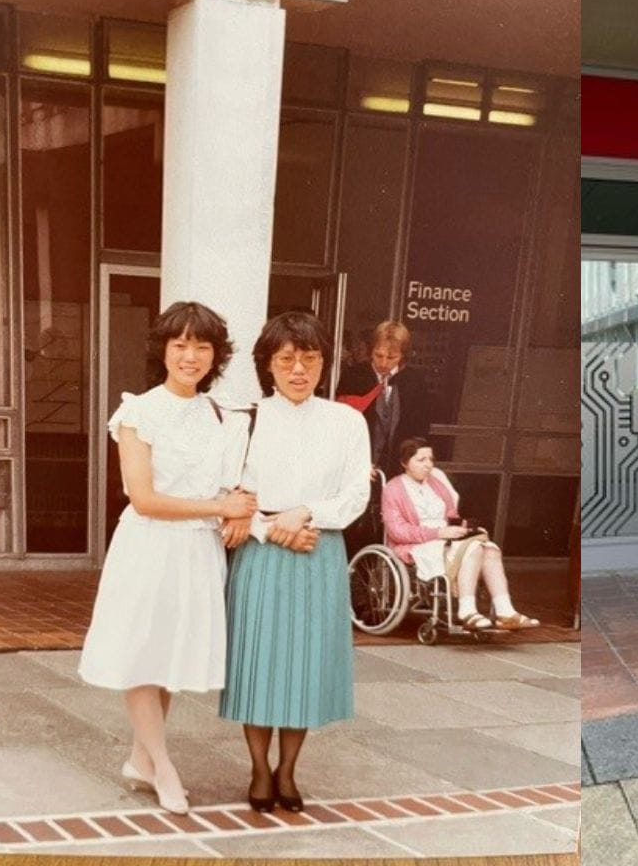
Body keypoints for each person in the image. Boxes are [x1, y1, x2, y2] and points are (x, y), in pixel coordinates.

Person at [77, 301, 256, 816]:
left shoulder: (222, 415)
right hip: (150, 545)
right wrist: (221, 505)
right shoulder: (138, 411)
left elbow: (233, 484)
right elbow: (144, 497)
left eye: (202, 346)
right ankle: (163, 766)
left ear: (215, 356)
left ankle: (140, 759)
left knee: (171, 657)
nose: (191, 355)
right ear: (164, 350)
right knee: (142, 651)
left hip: (198, 550)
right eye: (180, 344)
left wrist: (237, 509)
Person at [218, 311, 369, 813]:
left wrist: (305, 512)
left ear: (324, 363)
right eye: (286, 359)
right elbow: (230, 494)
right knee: (260, 665)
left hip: (318, 551)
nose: (298, 369)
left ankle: (289, 769)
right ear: (268, 364)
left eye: (309, 358)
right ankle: (260, 769)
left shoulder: (346, 421)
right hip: (263, 556)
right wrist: (272, 528)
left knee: (303, 669)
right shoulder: (247, 420)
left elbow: (354, 497)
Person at [382, 437, 540, 631]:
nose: (428, 465)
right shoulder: (393, 489)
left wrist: (465, 528)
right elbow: (397, 531)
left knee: (490, 549)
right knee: (474, 549)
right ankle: (466, 611)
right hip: (416, 545)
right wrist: (438, 532)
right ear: (404, 462)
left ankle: (505, 611)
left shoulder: (436, 484)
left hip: (446, 538)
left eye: (431, 460)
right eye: (421, 460)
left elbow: (451, 516)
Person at [335, 320, 427, 478]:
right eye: (378, 355)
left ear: (403, 356)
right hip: (358, 467)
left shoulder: (415, 381)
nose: (383, 363)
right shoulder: (353, 376)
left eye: (391, 357)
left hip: (398, 469)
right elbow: (341, 425)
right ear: (371, 351)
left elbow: (420, 428)